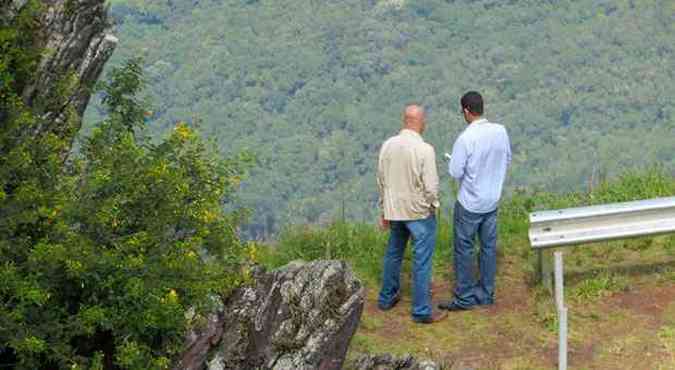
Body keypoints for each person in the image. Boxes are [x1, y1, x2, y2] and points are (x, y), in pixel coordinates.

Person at [439, 91, 512, 311]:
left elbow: (454, 171)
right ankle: (486, 293)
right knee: (488, 248)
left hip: (470, 202)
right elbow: (507, 158)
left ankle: (464, 297)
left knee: (464, 248)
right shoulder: (500, 131)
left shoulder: (466, 138)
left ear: (466, 111)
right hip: (492, 200)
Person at [376, 105, 447, 324]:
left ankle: (386, 298)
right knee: (421, 260)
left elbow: (381, 179)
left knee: (394, 253)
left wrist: (384, 209)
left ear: (405, 120)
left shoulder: (387, 145)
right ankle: (421, 310)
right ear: (420, 121)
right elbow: (431, 186)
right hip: (418, 212)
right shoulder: (425, 149)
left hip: (394, 209)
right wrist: (432, 205)